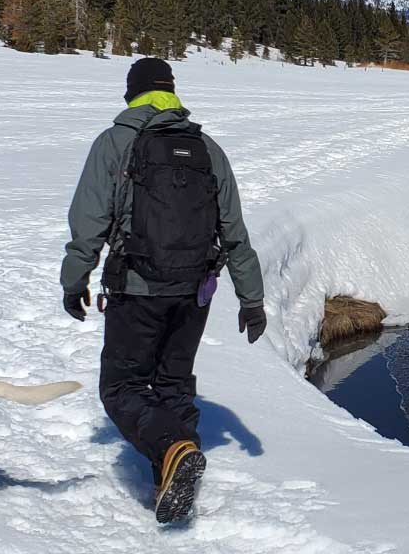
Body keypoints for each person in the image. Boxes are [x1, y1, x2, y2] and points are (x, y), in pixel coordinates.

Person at [60, 57, 267, 524]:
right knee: (173, 385)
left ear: (132, 94)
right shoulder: (207, 149)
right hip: (195, 291)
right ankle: (168, 477)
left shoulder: (116, 142)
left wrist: (75, 280)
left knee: (122, 387)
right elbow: (234, 231)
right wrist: (252, 300)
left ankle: (173, 448)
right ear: (172, 93)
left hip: (137, 289)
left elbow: (89, 222)